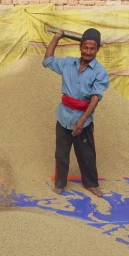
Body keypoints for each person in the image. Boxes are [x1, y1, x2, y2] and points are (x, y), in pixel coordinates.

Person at [43, 28, 110, 197]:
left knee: (86, 153)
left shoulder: (100, 72)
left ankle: (91, 184)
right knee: (61, 154)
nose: (88, 52)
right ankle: (60, 183)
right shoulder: (68, 63)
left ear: (97, 50)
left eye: (92, 48)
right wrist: (57, 38)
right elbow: (47, 61)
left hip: (83, 119)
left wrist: (82, 120)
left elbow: (95, 98)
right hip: (63, 116)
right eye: (85, 48)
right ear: (80, 47)